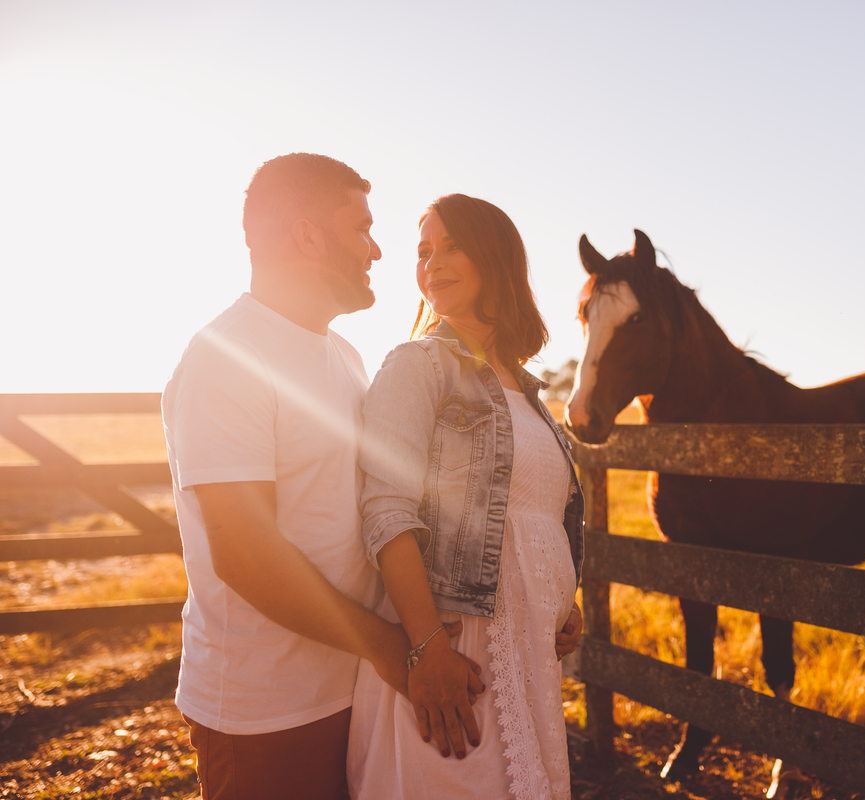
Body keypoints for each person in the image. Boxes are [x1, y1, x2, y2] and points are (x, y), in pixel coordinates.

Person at [163, 153, 430, 799]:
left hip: (355, 686)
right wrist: (393, 649)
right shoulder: (227, 359)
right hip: (266, 712)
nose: (377, 250)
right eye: (362, 227)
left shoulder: (345, 354)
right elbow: (246, 555)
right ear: (308, 235)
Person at [347, 194, 584, 800]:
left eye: (452, 245)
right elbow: (387, 512)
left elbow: (539, 516)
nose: (433, 263)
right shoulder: (417, 365)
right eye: (424, 251)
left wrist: (565, 600)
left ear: (496, 257)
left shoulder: (531, 393)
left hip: (528, 649)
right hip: (458, 649)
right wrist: (427, 652)